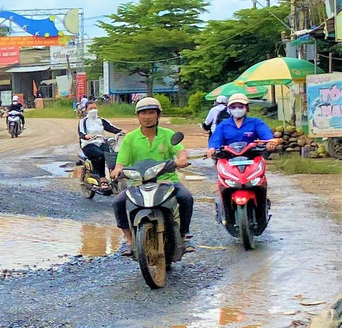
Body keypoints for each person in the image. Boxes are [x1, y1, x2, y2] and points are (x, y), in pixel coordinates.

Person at [109, 97, 193, 254]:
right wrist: (117, 170)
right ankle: (130, 240)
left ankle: (183, 235)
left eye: (151, 112)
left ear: (158, 115)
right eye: (143, 113)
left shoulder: (168, 134)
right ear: (137, 116)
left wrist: (182, 159)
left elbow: (179, 150)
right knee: (117, 203)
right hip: (137, 183)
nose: (147, 116)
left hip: (167, 181)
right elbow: (121, 161)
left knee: (186, 197)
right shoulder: (130, 138)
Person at [209, 95, 279, 153]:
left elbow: (266, 134)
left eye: (240, 107)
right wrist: (212, 148)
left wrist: (270, 142)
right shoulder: (223, 125)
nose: (237, 109)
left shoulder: (256, 122)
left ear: (247, 108)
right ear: (229, 109)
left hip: (252, 157)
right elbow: (215, 140)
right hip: (228, 159)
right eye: (233, 107)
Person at [77, 101, 123, 180]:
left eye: (95, 108)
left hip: (100, 142)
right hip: (88, 144)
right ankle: (102, 178)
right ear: (86, 110)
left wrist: (120, 131)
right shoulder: (83, 121)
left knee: (111, 154)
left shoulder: (101, 120)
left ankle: (113, 174)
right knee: (100, 155)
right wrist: (85, 136)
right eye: (90, 108)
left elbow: (110, 127)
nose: (93, 110)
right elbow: (81, 132)